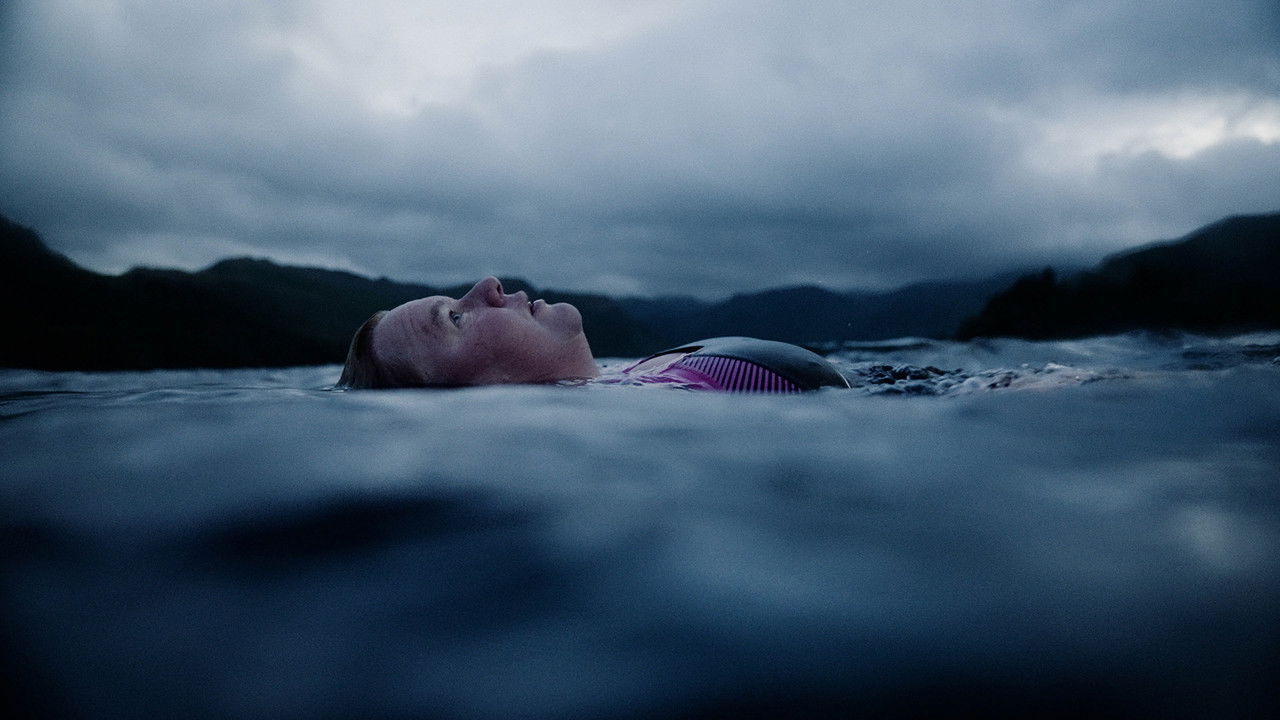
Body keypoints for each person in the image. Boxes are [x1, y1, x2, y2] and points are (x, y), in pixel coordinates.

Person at [337, 276, 849, 392]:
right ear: (483, 396)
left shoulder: (640, 383)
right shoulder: (681, 401)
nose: (487, 285)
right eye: (455, 318)